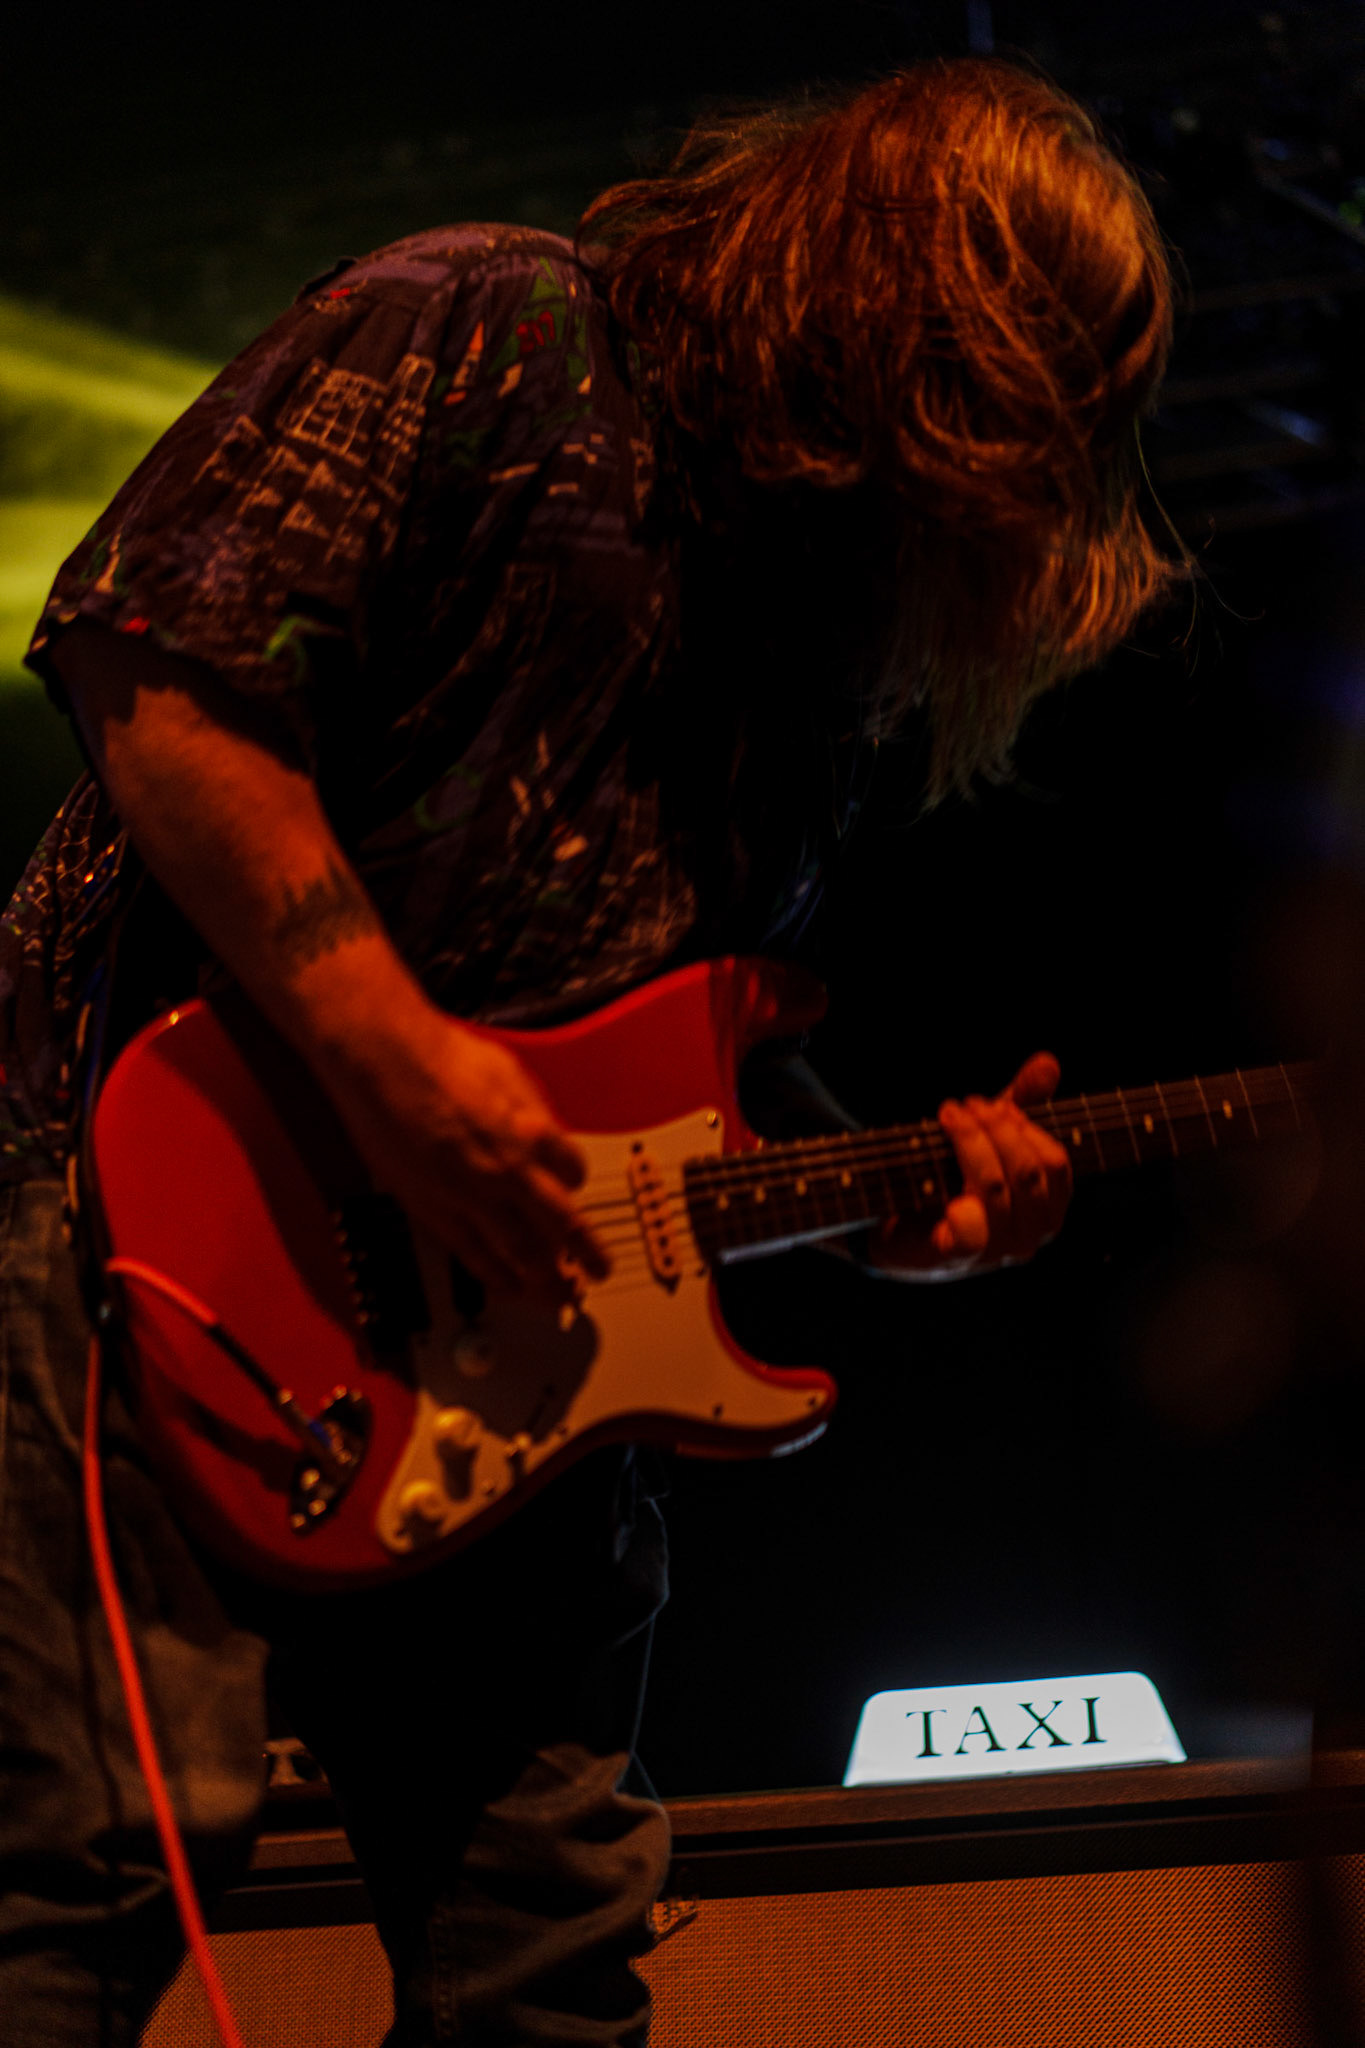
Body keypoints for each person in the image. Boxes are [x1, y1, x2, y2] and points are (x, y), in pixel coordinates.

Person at [0, 57, 1177, 2047]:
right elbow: (152, 662)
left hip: (510, 1362)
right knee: (76, 1898)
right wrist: (390, 1053)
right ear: (886, 315)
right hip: (153, 1220)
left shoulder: (812, 639)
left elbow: (665, 1062)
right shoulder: (483, 322)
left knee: (545, 1964)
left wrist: (890, 1206)